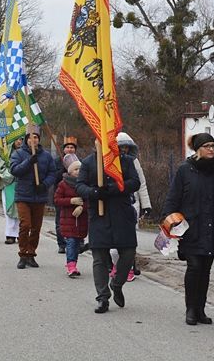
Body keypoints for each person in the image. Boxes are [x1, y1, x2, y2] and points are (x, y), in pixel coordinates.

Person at [162, 132, 214, 326]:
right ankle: (191, 309)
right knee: (194, 267)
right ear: (198, 149)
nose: (211, 149)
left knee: (206, 270)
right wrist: (169, 222)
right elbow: (173, 198)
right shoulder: (185, 170)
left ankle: (201, 309)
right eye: (207, 146)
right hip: (190, 227)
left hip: (212, 228)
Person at [75, 139, 141, 313]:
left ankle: (117, 283)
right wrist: (95, 192)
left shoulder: (124, 160)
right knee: (99, 257)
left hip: (122, 214)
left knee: (129, 252)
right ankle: (102, 298)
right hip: (99, 215)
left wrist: (113, 188)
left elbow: (135, 182)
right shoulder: (89, 162)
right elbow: (80, 186)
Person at [10, 124, 56, 269]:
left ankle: (31, 253)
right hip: (23, 195)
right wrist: (29, 162)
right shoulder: (18, 154)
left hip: (39, 196)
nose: (33, 140)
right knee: (26, 225)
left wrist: (44, 184)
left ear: (38, 139)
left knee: (36, 227)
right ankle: (22, 253)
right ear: (26, 140)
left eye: (35, 137)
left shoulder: (47, 156)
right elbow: (15, 170)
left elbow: (52, 173)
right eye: (30, 137)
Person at [112, 132, 152, 282]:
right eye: (121, 147)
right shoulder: (109, 163)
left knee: (129, 238)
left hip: (131, 204)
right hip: (114, 203)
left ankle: (128, 267)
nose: (124, 150)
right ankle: (116, 265)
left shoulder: (134, 163)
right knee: (114, 240)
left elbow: (141, 184)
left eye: (126, 148)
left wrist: (146, 205)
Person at [54, 155, 88, 277]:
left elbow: (90, 200)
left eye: (80, 169)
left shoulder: (85, 184)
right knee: (71, 242)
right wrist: (71, 201)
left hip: (82, 220)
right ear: (69, 171)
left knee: (77, 242)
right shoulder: (63, 184)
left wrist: (82, 207)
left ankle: (74, 263)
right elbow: (57, 200)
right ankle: (71, 265)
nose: (78, 172)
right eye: (75, 169)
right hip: (68, 220)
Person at [52, 136, 79, 254]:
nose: (69, 149)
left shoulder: (78, 162)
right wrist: (64, 169)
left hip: (76, 195)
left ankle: (78, 242)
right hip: (62, 194)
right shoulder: (57, 161)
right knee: (60, 220)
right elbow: (54, 177)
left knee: (77, 219)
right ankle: (61, 244)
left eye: (72, 147)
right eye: (67, 147)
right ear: (63, 149)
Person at [0, 139, 22, 244]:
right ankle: (11, 234)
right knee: (10, 209)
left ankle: (22, 233)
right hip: (10, 184)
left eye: (21, 139)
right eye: (17, 140)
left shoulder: (28, 153)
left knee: (23, 210)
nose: (19, 142)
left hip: (23, 184)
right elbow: (1, 168)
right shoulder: (6, 155)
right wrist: (14, 173)